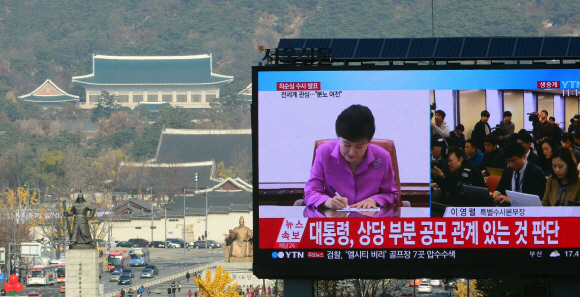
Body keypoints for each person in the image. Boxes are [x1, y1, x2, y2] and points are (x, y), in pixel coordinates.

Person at [304, 104, 398, 209]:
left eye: (359, 146)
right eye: (346, 145)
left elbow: (391, 194)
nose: (352, 152)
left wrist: (374, 200)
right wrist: (327, 201)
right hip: (334, 221)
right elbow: (310, 192)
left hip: (368, 221)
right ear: (339, 138)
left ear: (368, 141)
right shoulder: (324, 152)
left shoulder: (382, 157)